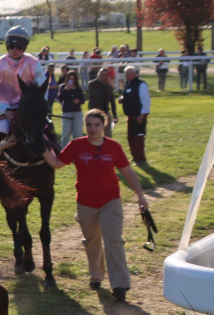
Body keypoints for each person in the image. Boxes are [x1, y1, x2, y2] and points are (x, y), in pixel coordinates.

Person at [43, 109, 149, 301]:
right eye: (89, 125)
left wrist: (140, 196)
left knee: (114, 241)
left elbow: (128, 171)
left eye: (97, 125)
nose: (93, 129)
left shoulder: (113, 147)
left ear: (104, 125)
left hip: (110, 200)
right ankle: (96, 276)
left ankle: (120, 285)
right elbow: (57, 163)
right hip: (86, 202)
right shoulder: (77, 145)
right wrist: (41, 147)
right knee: (92, 242)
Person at [0, 26, 46, 139]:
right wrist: (5, 109)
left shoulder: (34, 63)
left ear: (25, 47)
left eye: (19, 47)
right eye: (11, 46)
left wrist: (37, 107)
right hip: (7, 112)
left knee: (49, 130)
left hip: (31, 111)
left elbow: (43, 90)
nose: (15, 50)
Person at [119, 65, 151, 165]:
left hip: (138, 115)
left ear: (135, 74)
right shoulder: (128, 84)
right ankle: (135, 156)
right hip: (130, 115)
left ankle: (141, 159)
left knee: (138, 138)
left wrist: (142, 115)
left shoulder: (141, 84)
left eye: (129, 74)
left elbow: (146, 100)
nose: (127, 76)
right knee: (131, 137)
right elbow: (130, 95)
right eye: (126, 74)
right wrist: (123, 99)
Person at [56, 71, 85, 148]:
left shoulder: (78, 88)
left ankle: (77, 151)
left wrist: (78, 101)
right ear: (67, 79)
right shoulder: (63, 86)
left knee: (78, 135)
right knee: (65, 134)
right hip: (66, 113)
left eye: (73, 79)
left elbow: (83, 100)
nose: (71, 80)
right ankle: (64, 151)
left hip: (77, 112)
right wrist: (66, 89)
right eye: (70, 79)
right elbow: (59, 98)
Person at [87, 68, 119, 137]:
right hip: (94, 112)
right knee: (94, 133)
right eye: (101, 74)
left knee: (108, 133)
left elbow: (112, 101)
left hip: (105, 111)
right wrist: (106, 86)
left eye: (104, 75)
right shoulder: (92, 84)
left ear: (107, 76)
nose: (102, 76)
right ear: (98, 74)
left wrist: (115, 115)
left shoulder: (108, 86)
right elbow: (97, 95)